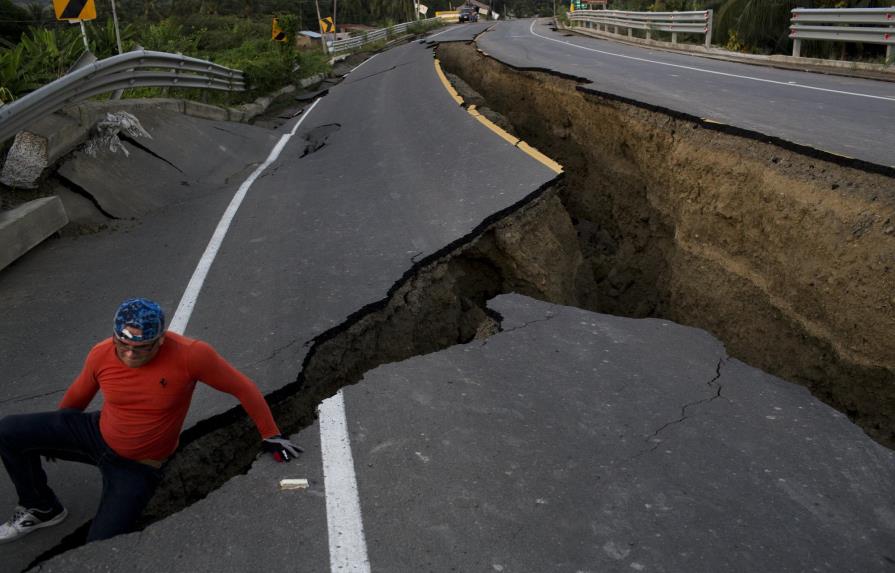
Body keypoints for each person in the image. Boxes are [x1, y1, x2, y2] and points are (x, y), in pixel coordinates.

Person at [0, 297, 302, 544]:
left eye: (141, 348)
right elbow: (77, 397)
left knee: (99, 546)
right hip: (96, 432)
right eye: (123, 345)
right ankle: (41, 506)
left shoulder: (191, 355)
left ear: (160, 340)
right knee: (8, 431)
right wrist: (51, 436)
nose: (130, 354)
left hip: (138, 465)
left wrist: (270, 433)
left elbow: (243, 387)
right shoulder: (101, 353)